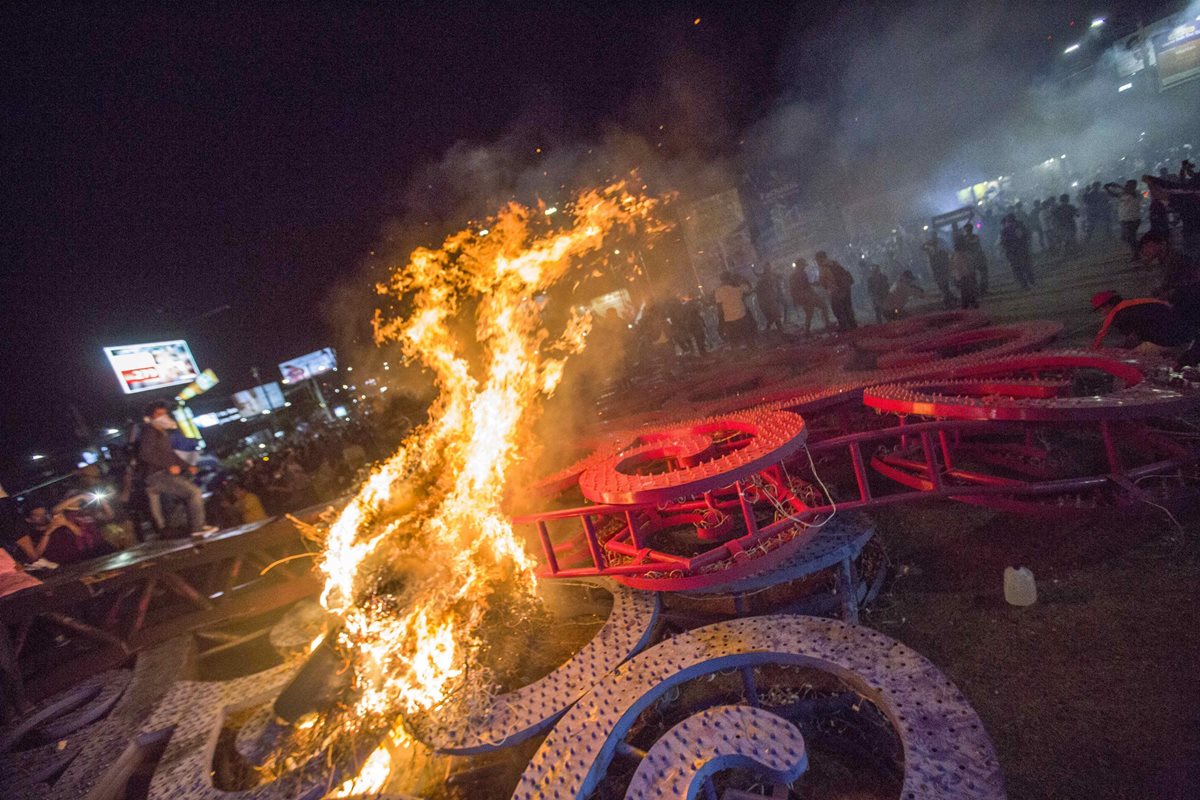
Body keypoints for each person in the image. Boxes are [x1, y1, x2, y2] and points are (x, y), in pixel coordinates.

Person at [136, 400, 217, 537]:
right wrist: (168, 466)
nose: (162, 416)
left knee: (187, 496)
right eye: (158, 413)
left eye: (164, 413)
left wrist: (187, 466)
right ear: (151, 416)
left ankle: (181, 527)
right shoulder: (150, 431)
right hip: (157, 476)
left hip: (163, 475)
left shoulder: (163, 435)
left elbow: (171, 456)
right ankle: (197, 529)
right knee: (194, 493)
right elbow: (145, 454)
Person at [1090, 289, 1197, 365]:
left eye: (1101, 310)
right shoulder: (1137, 304)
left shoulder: (1120, 317)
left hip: (1173, 340)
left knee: (1125, 359)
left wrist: (1117, 351)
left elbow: (1134, 339)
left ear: (1108, 305)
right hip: (1188, 331)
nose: (1102, 314)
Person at [815, 251, 856, 331]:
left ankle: (844, 327)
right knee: (847, 307)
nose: (816, 262)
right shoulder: (834, 263)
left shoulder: (823, 268)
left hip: (836, 290)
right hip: (846, 287)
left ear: (820, 258)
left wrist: (818, 284)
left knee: (837, 309)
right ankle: (853, 325)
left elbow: (823, 282)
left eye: (817, 260)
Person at [714, 271, 755, 347]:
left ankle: (739, 356)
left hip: (729, 320)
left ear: (721, 280)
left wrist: (721, 322)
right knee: (748, 339)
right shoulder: (737, 288)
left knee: (734, 342)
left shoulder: (718, 291)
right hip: (742, 317)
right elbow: (748, 293)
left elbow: (719, 309)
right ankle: (753, 352)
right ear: (730, 278)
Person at [788, 259, 830, 334]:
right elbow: (805, 287)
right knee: (822, 307)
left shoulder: (794, 275)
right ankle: (826, 324)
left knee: (810, 313)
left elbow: (801, 287)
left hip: (804, 297)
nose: (804, 267)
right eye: (803, 265)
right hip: (806, 297)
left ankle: (808, 330)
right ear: (800, 265)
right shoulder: (800, 274)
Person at [1105, 180, 1142, 260]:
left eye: (1128, 185)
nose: (1126, 186)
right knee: (1125, 237)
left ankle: (1136, 253)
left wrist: (1118, 185)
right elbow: (1111, 194)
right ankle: (1139, 249)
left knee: (1130, 237)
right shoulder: (1122, 194)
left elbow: (1129, 191)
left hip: (1133, 219)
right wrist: (1107, 188)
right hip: (1124, 219)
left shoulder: (1137, 193)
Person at [1000, 213, 1035, 289]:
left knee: (1017, 268)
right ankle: (1030, 280)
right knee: (1026, 266)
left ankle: (1024, 284)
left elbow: (1004, 242)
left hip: (1012, 251)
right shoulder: (1019, 226)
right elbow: (1024, 236)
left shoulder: (1005, 230)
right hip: (1021, 249)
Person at [922, 234, 955, 309]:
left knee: (944, 288)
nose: (934, 245)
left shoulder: (942, 251)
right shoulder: (931, 252)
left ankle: (948, 304)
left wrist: (949, 266)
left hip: (942, 272)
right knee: (943, 288)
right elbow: (922, 247)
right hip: (937, 272)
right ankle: (952, 300)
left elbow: (951, 254)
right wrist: (928, 242)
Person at [951, 225, 980, 309]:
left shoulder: (956, 254)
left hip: (962, 275)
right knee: (968, 290)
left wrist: (956, 276)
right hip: (966, 274)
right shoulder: (965, 253)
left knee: (965, 291)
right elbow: (968, 264)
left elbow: (955, 266)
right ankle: (970, 304)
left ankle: (968, 305)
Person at [754, 263, 785, 333]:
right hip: (768, 303)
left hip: (771, 301)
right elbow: (759, 293)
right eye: (768, 269)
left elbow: (779, 282)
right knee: (775, 318)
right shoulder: (761, 281)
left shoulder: (771, 278)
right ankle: (780, 332)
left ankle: (770, 330)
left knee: (773, 318)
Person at [961, 223, 989, 294]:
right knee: (974, 276)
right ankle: (978, 290)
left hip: (975, 257)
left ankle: (981, 289)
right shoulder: (969, 238)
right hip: (972, 258)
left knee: (980, 274)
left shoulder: (972, 237)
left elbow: (978, 246)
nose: (969, 231)